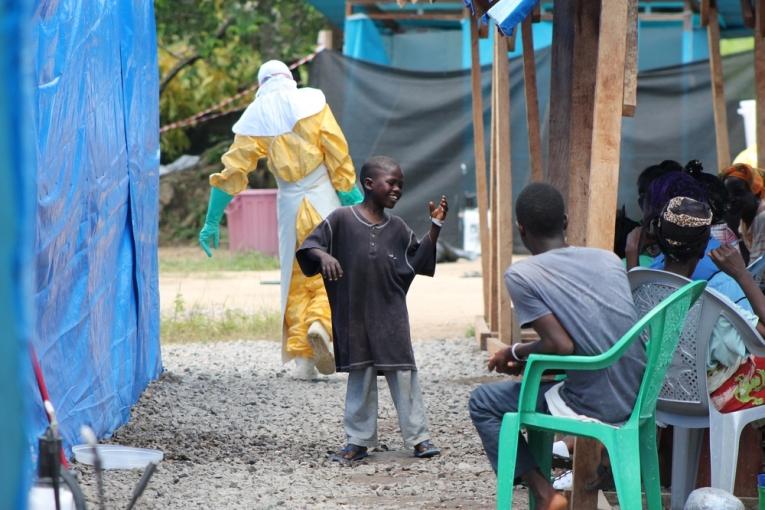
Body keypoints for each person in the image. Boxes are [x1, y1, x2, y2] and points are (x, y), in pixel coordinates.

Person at [468, 183, 644, 510]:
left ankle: (545, 492)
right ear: (565, 221)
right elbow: (595, 337)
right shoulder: (607, 259)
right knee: (546, 382)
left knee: (483, 402)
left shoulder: (523, 275)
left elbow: (560, 345)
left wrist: (514, 353)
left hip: (594, 403)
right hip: (637, 394)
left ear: (521, 230)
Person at [198, 60, 363, 380]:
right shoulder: (313, 104)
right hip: (322, 198)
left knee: (297, 275)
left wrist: (211, 220)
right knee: (335, 267)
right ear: (290, 79)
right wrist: (353, 200)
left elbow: (232, 172)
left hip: (289, 203)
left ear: (261, 86)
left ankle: (304, 361)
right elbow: (338, 156)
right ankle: (321, 325)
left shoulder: (256, 121)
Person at [296, 156, 447, 461]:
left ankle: (419, 438)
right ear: (368, 184)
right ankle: (358, 440)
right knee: (361, 375)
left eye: (400, 185)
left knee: (404, 373)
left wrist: (435, 228)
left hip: (391, 315)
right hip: (355, 316)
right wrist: (324, 257)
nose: (397, 189)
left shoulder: (399, 228)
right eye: (391, 183)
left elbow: (416, 262)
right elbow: (310, 246)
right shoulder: (340, 219)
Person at [650, 196, 765, 412]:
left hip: (653, 392)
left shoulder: (640, 287)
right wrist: (742, 275)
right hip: (704, 397)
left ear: (658, 238)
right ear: (705, 247)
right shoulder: (713, 303)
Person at [721, 163, 765, 261]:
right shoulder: (744, 220)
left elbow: (756, 268)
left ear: (754, 190)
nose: (732, 199)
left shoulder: (762, 218)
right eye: (727, 195)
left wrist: (733, 230)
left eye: (738, 192)